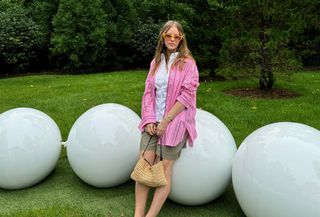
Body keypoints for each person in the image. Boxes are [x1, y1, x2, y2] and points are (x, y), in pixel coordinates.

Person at [134, 20, 199, 217]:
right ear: (163, 37)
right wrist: (150, 119)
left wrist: (165, 121)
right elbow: (148, 93)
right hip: (153, 122)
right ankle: (138, 214)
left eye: (176, 36)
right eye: (168, 36)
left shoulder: (188, 63)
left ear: (181, 39)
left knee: (163, 170)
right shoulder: (156, 62)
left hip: (176, 121)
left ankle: (150, 215)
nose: (172, 39)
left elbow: (187, 96)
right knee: (144, 166)